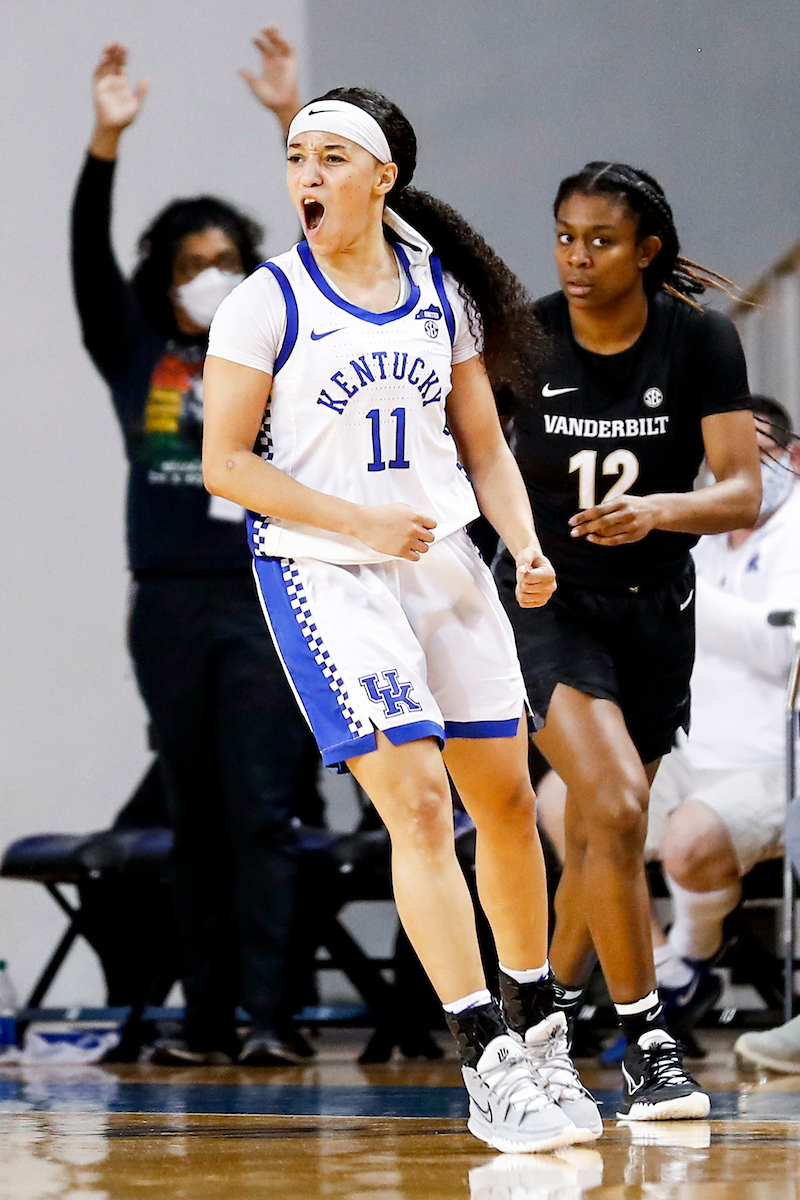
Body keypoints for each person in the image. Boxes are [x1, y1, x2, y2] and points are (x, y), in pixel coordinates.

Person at [202, 89, 601, 1152]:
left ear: (383, 178)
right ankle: (483, 1061)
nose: (308, 175)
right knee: (419, 806)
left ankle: (537, 1031)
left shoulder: (439, 295)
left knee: (505, 801)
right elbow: (225, 464)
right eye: (298, 156)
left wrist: (523, 544)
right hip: (325, 572)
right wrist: (358, 522)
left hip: (441, 565)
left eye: (332, 157)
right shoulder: (262, 303)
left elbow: (484, 446)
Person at [71, 31, 326, 1066]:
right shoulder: (135, 348)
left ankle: (272, 1021)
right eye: (190, 267)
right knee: (195, 815)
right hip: (168, 602)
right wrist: (104, 141)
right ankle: (206, 1021)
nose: (208, 278)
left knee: (262, 810)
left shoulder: (279, 340)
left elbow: (331, 239)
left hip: (265, 594)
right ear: (164, 280)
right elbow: (86, 256)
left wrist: (293, 124)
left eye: (224, 263)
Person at [493, 161, 761, 1120]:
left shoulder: (699, 340)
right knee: (613, 800)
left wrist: (660, 510)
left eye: (600, 241)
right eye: (565, 237)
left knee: (605, 830)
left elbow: (742, 491)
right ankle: (649, 1043)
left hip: (653, 610)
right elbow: (473, 460)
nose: (576, 257)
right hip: (547, 604)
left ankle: (544, 1025)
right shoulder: (524, 338)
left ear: (646, 251)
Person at [645, 397, 800, 1032]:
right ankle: (666, 970)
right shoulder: (702, 534)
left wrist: (683, 588)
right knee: (571, 804)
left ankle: (689, 956)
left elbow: (785, 648)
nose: (740, 469)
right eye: (724, 458)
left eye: (760, 455)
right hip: (690, 750)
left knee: (690, 836)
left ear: (793, 458)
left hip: (774, 766)